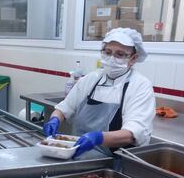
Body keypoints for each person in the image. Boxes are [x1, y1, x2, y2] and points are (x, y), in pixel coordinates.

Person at [43, 28, 155, 158]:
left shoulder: (140, 86)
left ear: (133, 58)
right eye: (107, 52)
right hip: (80, 155)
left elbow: (133, 133)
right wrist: (55, 119)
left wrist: (98, 137)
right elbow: (65, 107)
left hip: (117, 164)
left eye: (119, 54)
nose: (112, 59)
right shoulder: (91, 79)